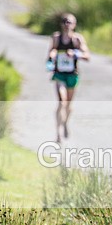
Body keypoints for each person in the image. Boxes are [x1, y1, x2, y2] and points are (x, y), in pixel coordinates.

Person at [47, 13, 90, 142]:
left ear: (74, 25)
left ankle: (65, 122)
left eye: (69, 22)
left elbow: (87, 56)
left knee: (68, 105)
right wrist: (52, 55)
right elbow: (51, 51)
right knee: (62, 101)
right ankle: (58, 133)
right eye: (65, 22)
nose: (67, 25)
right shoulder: (56, 38)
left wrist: (75, 54)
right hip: (59, 74)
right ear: (61, 24)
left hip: (72, 75)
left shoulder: (77, 39)